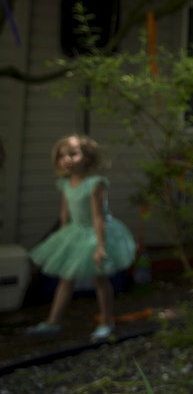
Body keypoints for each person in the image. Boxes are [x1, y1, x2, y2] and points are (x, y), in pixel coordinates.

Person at [26, 134, 136, 343]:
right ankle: (52, 322)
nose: (66, 159)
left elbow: (97, 216)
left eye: (73, 154)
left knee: (100, 280)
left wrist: (100, 246)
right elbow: (65, 213)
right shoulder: (66, 184)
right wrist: (63, 237)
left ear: (86, 157)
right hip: (75, 233)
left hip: (96, 234)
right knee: (66, 279)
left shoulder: (95, 184)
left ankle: (106, 322)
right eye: (62, 156)